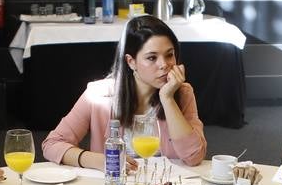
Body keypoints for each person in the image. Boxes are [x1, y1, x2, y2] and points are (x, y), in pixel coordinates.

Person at [41, 14, 206, 169]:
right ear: (131, 61)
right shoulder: (98, 95)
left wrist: (168, 99)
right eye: (151, 58)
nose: (164, 64)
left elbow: (194, 156)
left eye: (169, 55)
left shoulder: (182, 92)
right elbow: (52, 144)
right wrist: (99, 161)